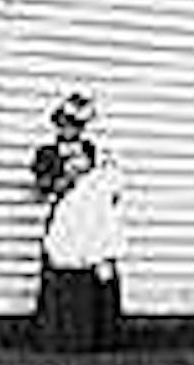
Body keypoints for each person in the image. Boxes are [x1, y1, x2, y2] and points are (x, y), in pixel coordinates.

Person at [31, 92, 127, 351]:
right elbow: (41, 190)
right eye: (65, 123)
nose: (70, 128)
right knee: (62, 269)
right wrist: (67, 176)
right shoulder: (47, 154)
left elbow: (106, 186)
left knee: (94, 270)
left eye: (76, 124)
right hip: (64, 220)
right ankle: (60, 337)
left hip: (90, 222)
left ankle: (97, 336)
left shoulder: (92, 151)